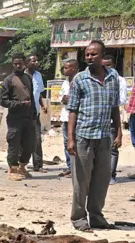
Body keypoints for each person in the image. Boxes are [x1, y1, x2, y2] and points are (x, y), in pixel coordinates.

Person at [67, 40, 122, 231]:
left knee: (101, 181)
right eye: (87, 55)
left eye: (93, 54)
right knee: (81, 182)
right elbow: (72, 110)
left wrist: (119, 133)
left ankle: (97, 217)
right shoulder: (80, 79)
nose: (89, 57)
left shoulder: (113, 77)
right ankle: (78, 218)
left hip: (105, 137)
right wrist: (71, 138)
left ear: (102, 56)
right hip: (84, 137)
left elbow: (115, 106)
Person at [0, 52, 37, 181]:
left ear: (25, 64)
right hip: (15, 118)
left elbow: (32, 97)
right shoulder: (8, 80)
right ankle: (12, 169)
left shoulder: (28, 78)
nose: (17, 66)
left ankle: (22, 166)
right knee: (14, 144)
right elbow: (3, 101)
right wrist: (20, 104)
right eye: (15, 64)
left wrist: (34, 113)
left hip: (28, 118)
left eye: (20, 63)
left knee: (30, 144)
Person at [101, 55, 128, 184]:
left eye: (108, 65)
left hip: (111, 120)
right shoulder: (94, 78)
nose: (106, 67)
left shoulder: (120, 80)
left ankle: (111, 176)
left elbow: (122, 100)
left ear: (113, 65)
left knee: (112, 149)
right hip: (97, 122)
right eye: (103, 64)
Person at [27, 53, 48, 172]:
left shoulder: (38, 75)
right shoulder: (22, 76)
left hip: (35, 112)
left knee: (37, 139)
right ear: (27, 63)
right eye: (33, 61)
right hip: (24, 113)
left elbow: (38, 92)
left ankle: (38, 165)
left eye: (36, 61)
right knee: (22, 140)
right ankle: (20, 165)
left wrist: (42, 105)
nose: (36, 63)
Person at [59, 59, 79, 178]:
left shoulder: (80, 81)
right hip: (66, 116)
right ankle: (70, 166)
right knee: (67, 143)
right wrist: (64, 99)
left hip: (76, 118)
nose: (65, 70)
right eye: (64, 68)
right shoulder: (65, 82)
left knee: (76, 142)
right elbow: (61, 97)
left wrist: (71, 99)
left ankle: (76, 168)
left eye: (67, 68)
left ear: (74, 69)